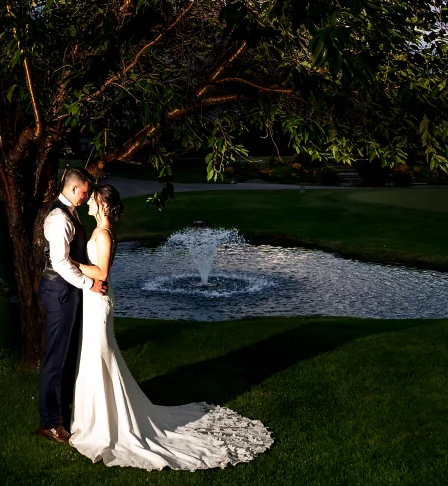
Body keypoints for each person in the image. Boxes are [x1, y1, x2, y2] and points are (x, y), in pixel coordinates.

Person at [66, 182, 273, 470]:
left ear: (102, 203)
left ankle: (108, 423)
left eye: (92, 199)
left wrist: (70, 262)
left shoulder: (103, 234)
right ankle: (98, 417)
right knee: (95, 355)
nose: (87, 202)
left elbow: (101, 272)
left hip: (98, 302)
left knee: (102, 355)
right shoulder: (101, 231)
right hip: (94, 298)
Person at [37, 167, 103, 443]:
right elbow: (60, 262)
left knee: (65, 357)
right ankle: (49, 422)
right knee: (54, 359)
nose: (86, 198)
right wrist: (90, 284)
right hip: (58, 292)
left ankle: (63, 413)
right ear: (74, 188)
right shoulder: (57, 218)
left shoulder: (69, 212)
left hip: (66, 291)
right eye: (85, 192)